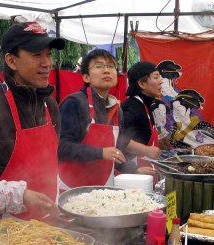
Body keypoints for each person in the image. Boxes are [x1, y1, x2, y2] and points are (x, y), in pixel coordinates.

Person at [0, 22, 65, 221]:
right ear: (11, 60)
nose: (47, 63)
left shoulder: (50, 105)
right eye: (37, 55)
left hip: (47, 227)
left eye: (48, 54)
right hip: (0, 236)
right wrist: (18, 195)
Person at [58, 49, 157, 189]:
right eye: (98, 66)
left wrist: (133, 169)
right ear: (86, 77)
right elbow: (61, 148)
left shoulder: (116, 109)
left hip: (103, 188)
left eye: (111, 66)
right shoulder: (75, 103)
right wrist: (100, 153)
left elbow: (115, 151)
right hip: (71, 189)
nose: (106, 70)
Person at [120, 61, 163, 169]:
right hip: (130, 174)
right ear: (142, 84)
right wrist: (145, 150)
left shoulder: (145, 104)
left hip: (146, 170)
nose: (160, 81)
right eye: (156, 77)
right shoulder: (131, 107)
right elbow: (118, 138)